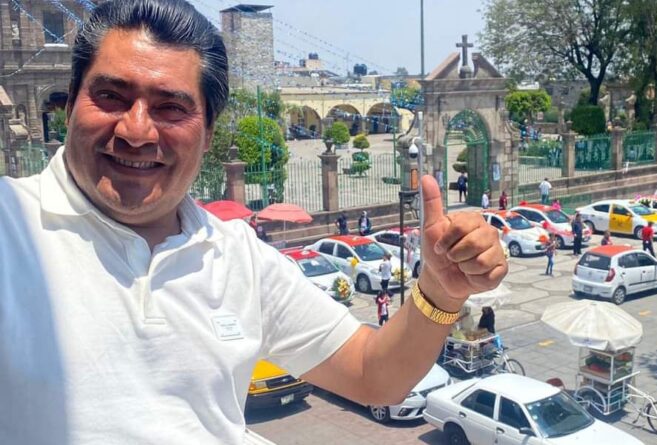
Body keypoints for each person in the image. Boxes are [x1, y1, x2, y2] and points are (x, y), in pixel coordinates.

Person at [0, 2, 509, 442]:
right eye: (111, 96)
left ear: (208, 133)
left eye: (170, 107)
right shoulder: (12, 226)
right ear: (70, 104)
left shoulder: (236, 254)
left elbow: (372, 374)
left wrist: (440, 293)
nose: (136, 130)